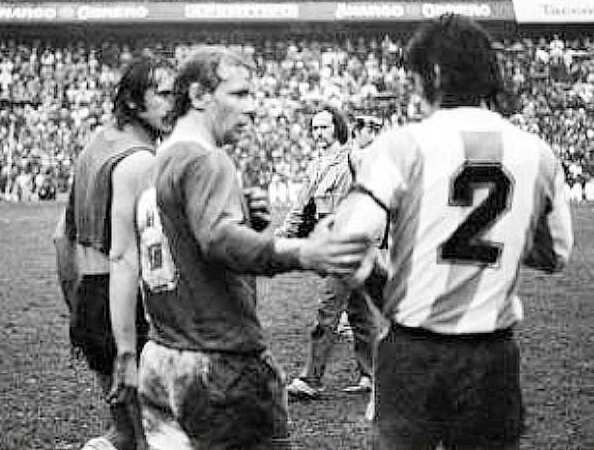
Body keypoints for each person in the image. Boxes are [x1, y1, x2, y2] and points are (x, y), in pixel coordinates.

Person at [330, 14, 574, 450]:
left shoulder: (401, 145)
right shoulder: (538, 154)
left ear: (436, 74)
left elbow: (349, 241)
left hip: (413, 352)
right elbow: (556, 253)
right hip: (492, 357)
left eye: (415, 77)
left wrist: (380, 284)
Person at [124, 47, 370, 450]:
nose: (252, 108)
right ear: (201, 95)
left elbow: (183, 243)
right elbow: (218, 239)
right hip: (219, 362)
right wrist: (303, 251)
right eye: (238, 95)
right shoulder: (208, 160)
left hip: (164, 355)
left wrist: (245, 222)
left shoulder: (158, 159)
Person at [53, 56, 175, 450]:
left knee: (123, 431)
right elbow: (134, 256)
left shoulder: (94, 147)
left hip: (90, 296)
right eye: (163, 93)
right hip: (129, 306)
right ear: (134, 101)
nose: (174, 102)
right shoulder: (141, 161)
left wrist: (78, 308)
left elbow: (61, 237)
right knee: (154, 438)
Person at [279, 106, 383, 399]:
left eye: (324, 127)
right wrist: (279, 237)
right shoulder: (315, 166)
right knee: (360, 313)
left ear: (337, 127)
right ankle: (373, 376)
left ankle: (311, 379)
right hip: (333, 244)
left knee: (328, 310)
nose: (319, 133)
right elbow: (300, 208)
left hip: (351, 244)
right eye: (314, 128)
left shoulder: (353, 157)